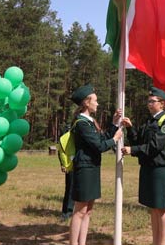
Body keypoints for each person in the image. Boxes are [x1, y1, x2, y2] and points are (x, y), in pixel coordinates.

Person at [120, 86, 165, 245]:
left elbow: (154, 146)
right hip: (147, 167)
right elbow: (139, 142)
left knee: (161, 207)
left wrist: (133, 150)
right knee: (153, 207)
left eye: (152, 101)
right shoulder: (149, 121)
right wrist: (130, 128)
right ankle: (155, 241)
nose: (149, 104)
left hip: (159, 169)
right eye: (148, 101)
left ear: (161, 103)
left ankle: (163, 242)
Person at [68, 84, 123, 245]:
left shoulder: (90, 122)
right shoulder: (81, 123)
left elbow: (100, 138)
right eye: (95, 101)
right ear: (86, 102)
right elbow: (99, 146)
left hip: (92, 168)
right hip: (84, 169)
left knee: (89, 210)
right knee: (80, 211)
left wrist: (113, 124)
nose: (97, 104)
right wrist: (115, 139)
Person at [59, 120, 75, 221]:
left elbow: (60, 152)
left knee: (70, 190)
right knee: (70, 190)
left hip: (71, 166)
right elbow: (61, 152)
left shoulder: (63, 138)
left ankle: (69, 212)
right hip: (72, 166)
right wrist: (63, 165)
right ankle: (67, 213)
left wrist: (63, 164)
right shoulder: (66, 138)